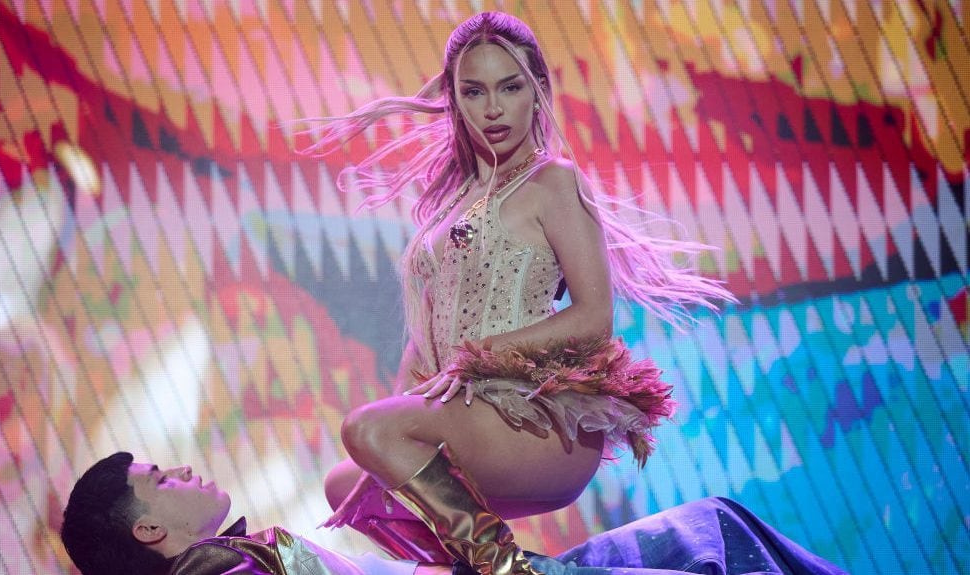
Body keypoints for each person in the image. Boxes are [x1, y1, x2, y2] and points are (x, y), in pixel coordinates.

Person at [304, 11, 736, 575]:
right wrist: (403, 415)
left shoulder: (552, 182)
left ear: (537, 91)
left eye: (510, 87)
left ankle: (508, 570)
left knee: (365, 428)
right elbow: (423, 354)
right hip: (469, 413)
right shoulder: (448, 205)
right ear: (455, 99)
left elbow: (594, 317)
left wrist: (479, 358)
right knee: (348, 483)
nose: (492, 108)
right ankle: (477, 566)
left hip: (533, 415)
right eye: (474, 91)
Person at [59, 452, 847, 575]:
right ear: (150, 529)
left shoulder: (264, 553)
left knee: (714, 529)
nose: (183, 468)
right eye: (161, 475)